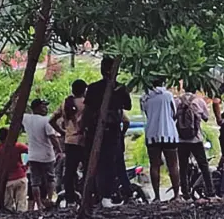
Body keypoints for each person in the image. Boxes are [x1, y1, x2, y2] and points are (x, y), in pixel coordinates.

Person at [83, 57, 132, 208]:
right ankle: (106, 196)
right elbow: (128, 106)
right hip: (110, 131)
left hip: (96, 131)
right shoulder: (119, 88)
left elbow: (87, 110)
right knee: (110, 164)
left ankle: (103, 195)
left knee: (99, 164)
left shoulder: (93, 88)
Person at [141, 78, 181, 202]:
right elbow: (174, 113)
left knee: (154, 165)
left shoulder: (145, 97)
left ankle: (157, 196)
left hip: (152, 134)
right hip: (168, 133)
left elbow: (146, 113)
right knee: (173, 165)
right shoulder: (168, 96)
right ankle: (176, 194)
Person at [50, 79, 87, 205]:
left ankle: (70, 198)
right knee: (88, 169)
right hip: (84, 141)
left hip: (69, 141)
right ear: (84, 90)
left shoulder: (65, 103)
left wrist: (62, 132)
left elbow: (52, 120)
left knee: (69, 171)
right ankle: (88, 195)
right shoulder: (87, 103)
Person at [176, 88, 215, 200]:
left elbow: (173, 116)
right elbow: (206, 118)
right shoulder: (199, 101)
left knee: (183, 167)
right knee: (204, 165)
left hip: (181, 139)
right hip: (196, 139)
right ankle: (210, 191)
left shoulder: (178, 101)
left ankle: (185, 192)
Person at [22, 99, 62, 210]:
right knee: (50, 178)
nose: (45, 108)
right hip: (47, 155)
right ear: (37, 108)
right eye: (43, 106)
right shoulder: (46, 120)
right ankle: (49, 200)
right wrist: (59, 150)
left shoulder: (26, 118)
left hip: (33, 156)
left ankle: (39, 204)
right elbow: (52, 137)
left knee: (35, 182)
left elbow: (18, 113)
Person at [0, 128, 29, 212]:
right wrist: (26, 165)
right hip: (20, 177)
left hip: (7, 180)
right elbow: (30, 151)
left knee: (8, 205)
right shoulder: (17, 146)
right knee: (21, 204)